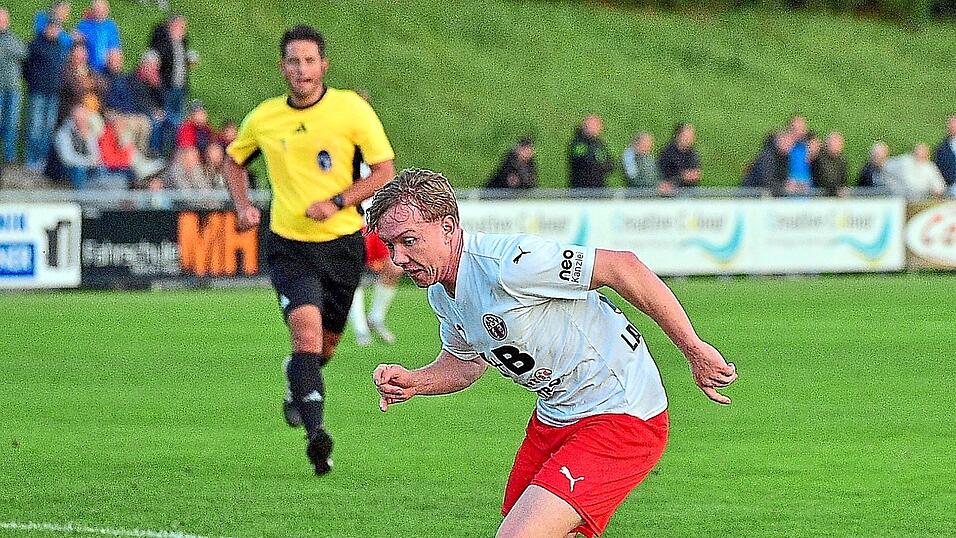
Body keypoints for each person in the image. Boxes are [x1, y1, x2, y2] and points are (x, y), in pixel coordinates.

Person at [369, 168, 737, 538]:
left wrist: (692, 347)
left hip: (621, 412)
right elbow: (465, 364)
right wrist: (417, 381)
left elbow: (621, 266)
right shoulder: (440, 293)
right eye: (390, 245)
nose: (398, 258)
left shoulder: (511, 264)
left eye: (409, 241)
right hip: (556, 418)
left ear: (448, 227)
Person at [224, 24, 395, 475]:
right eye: (293, 61)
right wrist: (242, 205)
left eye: (309, 60)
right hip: (289, 246)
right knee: (305, 334)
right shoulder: (264, 118)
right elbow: (233, 160)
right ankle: (317, 437)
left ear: (324, 65)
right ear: (282, 67)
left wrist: (337, 201)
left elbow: (384, 171)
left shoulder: (350, 109)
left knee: (325, 348)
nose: (302, 69)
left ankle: (295, 382)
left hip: (342, 245)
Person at [23, 18, 69, 172]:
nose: (54, 31)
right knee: (35, 127)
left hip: (53, 93)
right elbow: (26, 68)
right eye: (52, 28)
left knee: (48, 128)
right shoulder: (35, 45)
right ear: (46, 28)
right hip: (37, 92)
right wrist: (33, 82)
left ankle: (42, 161)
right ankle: (31, 160)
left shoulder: (61, 47)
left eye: (57, 29)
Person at [149, 13, 197, 127]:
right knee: (162, 118)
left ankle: (172, 142)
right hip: (166, 85)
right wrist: (172, 39)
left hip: (180, 85)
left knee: (177, 119)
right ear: (172, 25)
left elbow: (182, 59)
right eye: (181, 27)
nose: (183, 30)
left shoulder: (183, 41)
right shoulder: (161, 37)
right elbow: (159, 56)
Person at [0, 7, 26, 164]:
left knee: (12, 124)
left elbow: (23, 53)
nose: (2, 22)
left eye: (3, 19)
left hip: (13, 88)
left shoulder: (13, 38)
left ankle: (9, 159)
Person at [743, 130, 794, 196]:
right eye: (787, 142)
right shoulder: (768, 157)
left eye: (791, 144)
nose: (790, 146)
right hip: (752, 196)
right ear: (778, 141)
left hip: (763, 195)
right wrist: (785, 186)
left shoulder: (784, 157)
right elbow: (767, 182)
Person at [568, 115, 613, 189]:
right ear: (585, 127)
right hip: (581, 189)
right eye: (594, 126)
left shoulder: (599, 143)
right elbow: (584, 162)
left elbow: (610, 162)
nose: (597, 129)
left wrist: (603, 166)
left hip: (599, 188)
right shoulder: (578, 143)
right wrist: (600, 166)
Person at [75, 0, 119, 74]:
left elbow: (115, 47)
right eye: (96, 9)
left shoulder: (111, 26)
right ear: (92, 10)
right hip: (88, 66)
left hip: (106, 68)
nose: (100, 13)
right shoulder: (84, 25)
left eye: (103, 10)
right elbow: (76, 41)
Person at [657, 122, 701, 189]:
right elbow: (661, 175)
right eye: (687, 136)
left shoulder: (692, 153)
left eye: (691, 136)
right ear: (678, 135)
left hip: (690, 191)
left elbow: (696, 171)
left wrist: (693, 174)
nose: (690, 139)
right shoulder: (667, 153)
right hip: (671, 193)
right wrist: (682, 176)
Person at [811, 131, 848, 197]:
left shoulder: (842, 161)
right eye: (834, 143)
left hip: (835, 197)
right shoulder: (819, 158)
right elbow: (823, 180)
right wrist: (836, 190)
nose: (836, 146)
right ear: (827, 144)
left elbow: (843, 180)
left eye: (839, 144)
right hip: (819, 196)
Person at [933, 116, 956, 192]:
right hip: (950, 186)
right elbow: (937, 169)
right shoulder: (942, 148)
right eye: (950, 125)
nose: (951, 127)